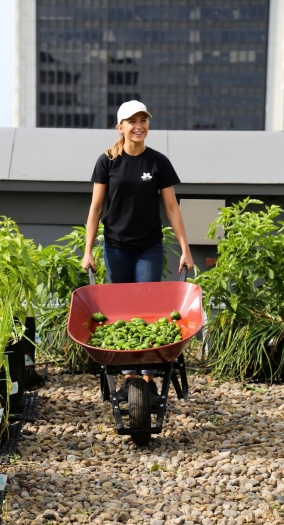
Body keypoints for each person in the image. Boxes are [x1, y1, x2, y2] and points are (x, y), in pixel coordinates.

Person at [82, 100, 194, 406]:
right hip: (116, 246)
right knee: (120, 312)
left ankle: (147, 378)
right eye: (132, 121)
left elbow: (172, 208)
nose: (139, 126)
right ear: (120, 127)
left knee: (147, 310)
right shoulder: (107, 162)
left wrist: (185, 250)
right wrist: (88, 250)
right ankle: (129, 377)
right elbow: (95, 208)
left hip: (148, 246)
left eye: (143, 120)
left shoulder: (157, 162)